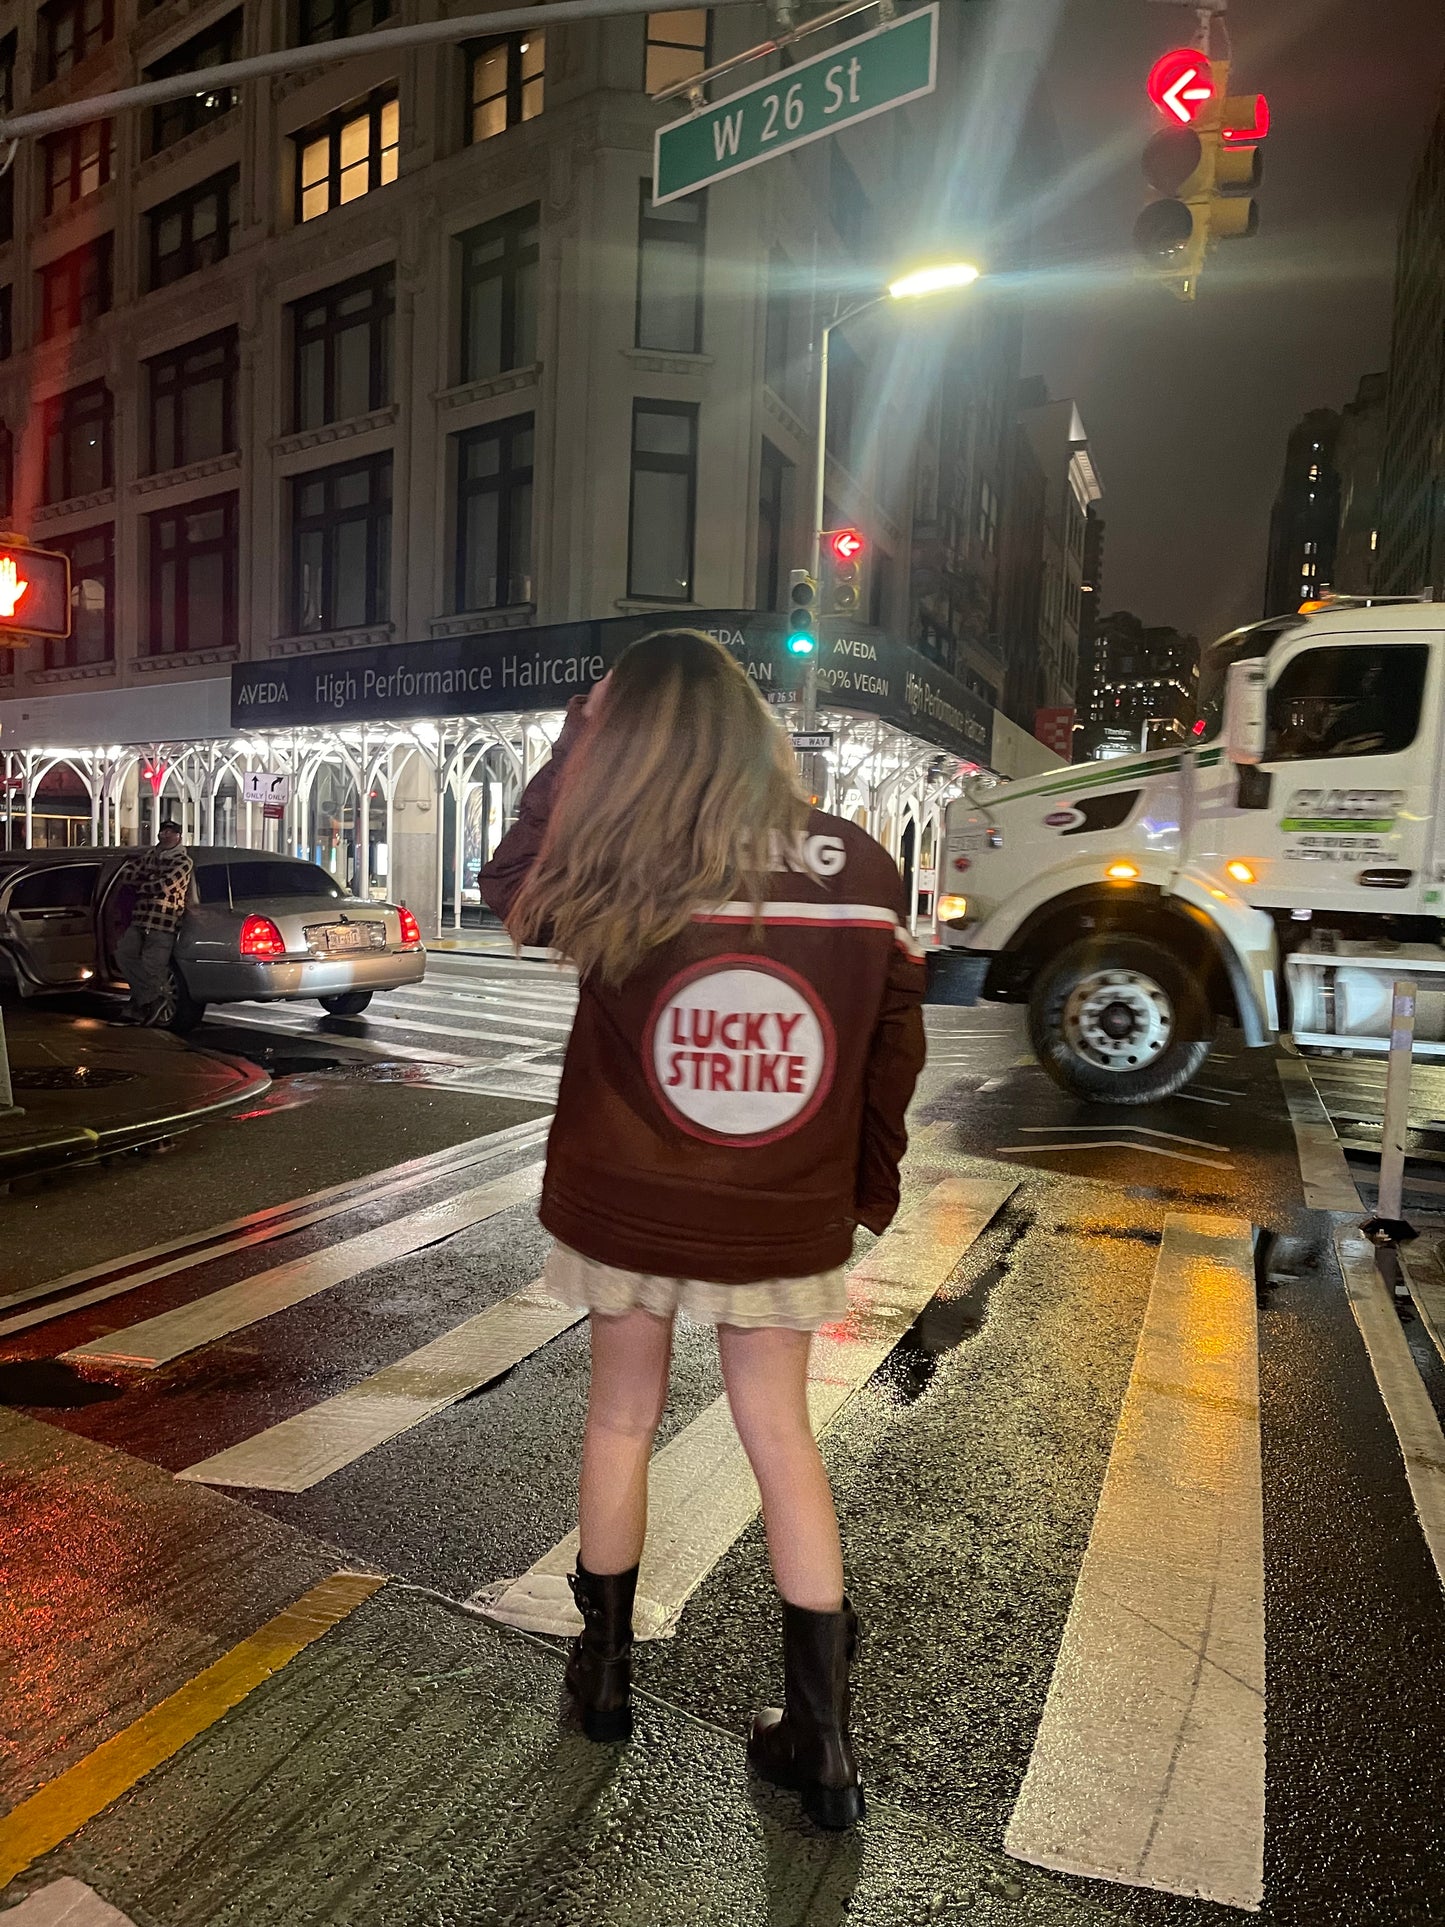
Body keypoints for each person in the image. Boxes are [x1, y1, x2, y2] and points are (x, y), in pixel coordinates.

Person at [480, 630, 925, 1831]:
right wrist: (863, 1188)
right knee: (779, 1433)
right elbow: (893, 1043)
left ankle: (607, 1676)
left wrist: (576, 738)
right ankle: (821, 1742)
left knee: (619, 1416)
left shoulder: (618, 858)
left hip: (625, 1196)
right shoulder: (859, 864)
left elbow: (504, 879)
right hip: (777, 1204)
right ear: (751, 728)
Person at [113, 817, 195, 1024]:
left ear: (178, 836)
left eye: (170, 832)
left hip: (163, 922)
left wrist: (144, 884)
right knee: (123, 954)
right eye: (163, 831)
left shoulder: (183, 861)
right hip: (140, 918)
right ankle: (151, 999)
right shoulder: (150, 856)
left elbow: (165, 886)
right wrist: (149, 880)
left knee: (152, 967)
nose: (165, 835)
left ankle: (142, 1005)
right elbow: (126, 875)